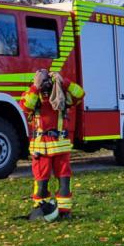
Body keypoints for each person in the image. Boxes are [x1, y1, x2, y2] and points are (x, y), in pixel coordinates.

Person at [20, 70, 84, 220]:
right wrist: (36, 86)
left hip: (59, 146)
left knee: (64, 181)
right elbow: (25, 106)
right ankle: (42, 211)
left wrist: (64, 82)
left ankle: (64, 211)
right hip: (41, 149)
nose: (46, 84)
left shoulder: (60, 94)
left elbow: (79, 94)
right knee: (41, 183)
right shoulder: (32, 94)